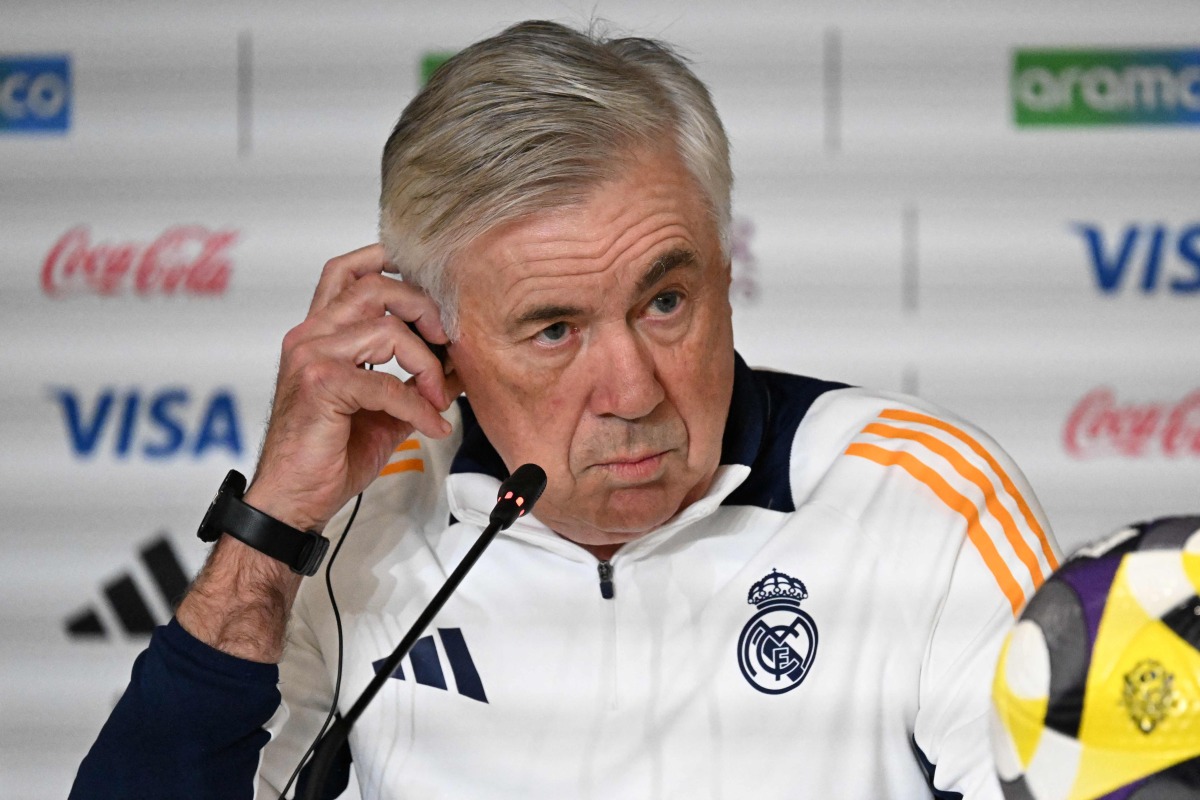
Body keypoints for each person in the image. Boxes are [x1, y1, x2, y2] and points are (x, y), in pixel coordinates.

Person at [71, 20, 1061, 800]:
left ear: (727, 274)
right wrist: (275, 519)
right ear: (437, 337)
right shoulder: (360, 537)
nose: (632, 392)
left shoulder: (920, 492)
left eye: (665, 302)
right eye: (554, 329)